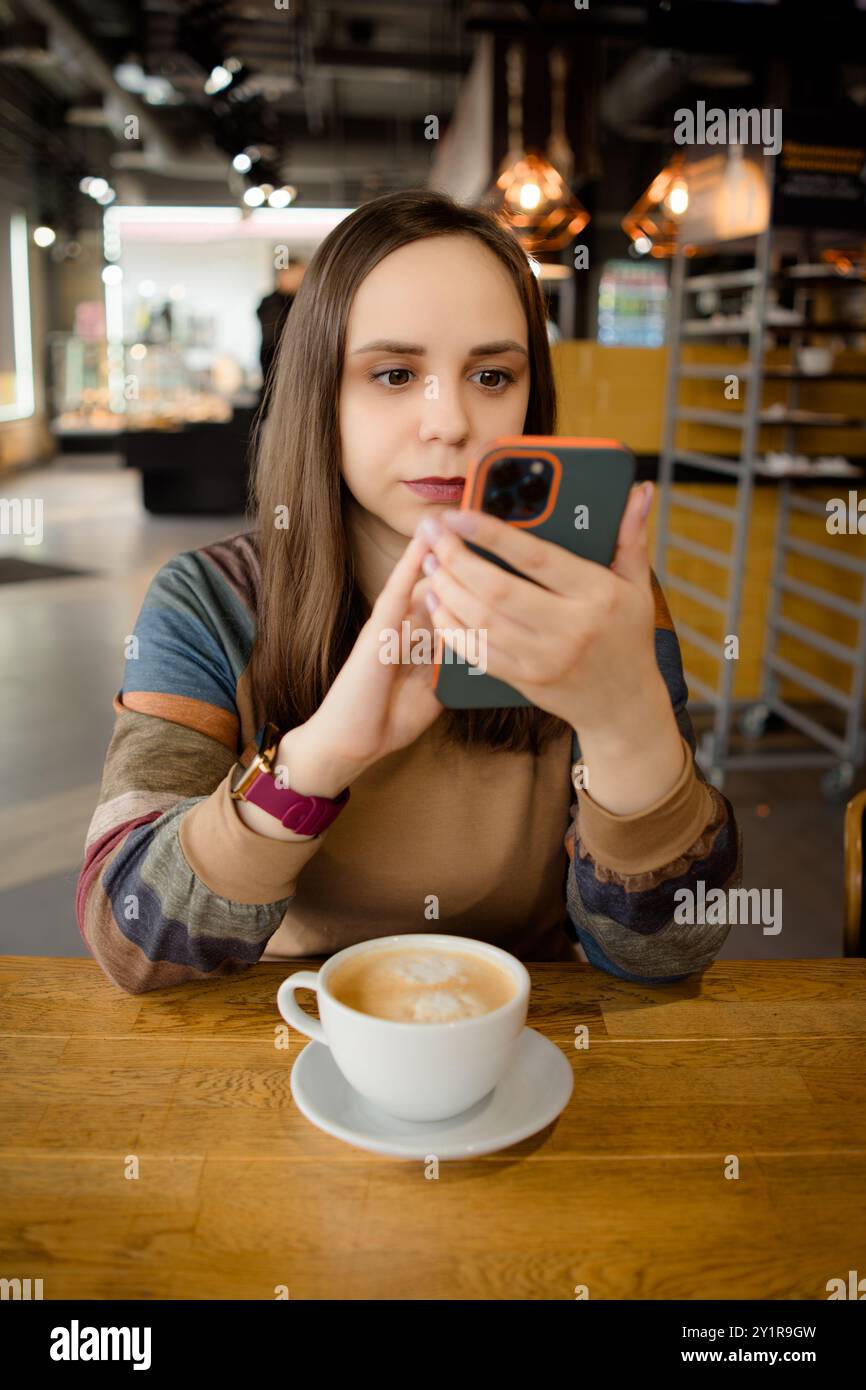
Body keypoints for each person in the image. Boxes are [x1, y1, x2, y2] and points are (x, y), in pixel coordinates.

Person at [77, 189, 742, 994]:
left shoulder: (595, 601)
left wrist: (628, 729)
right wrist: (321, 757)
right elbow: (131, 942)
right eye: (394, 373)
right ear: (321, 390)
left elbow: (662, 955)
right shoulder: (209, 601)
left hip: (525, 1033)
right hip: (283, 1041)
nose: (449, 421)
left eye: (492, 375)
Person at [256, 260, 305, 409]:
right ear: (284, 274)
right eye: (299, 274)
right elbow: (274, 339)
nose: (303, 279)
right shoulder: (272, 304)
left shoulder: (296, 300)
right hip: (278, 378)